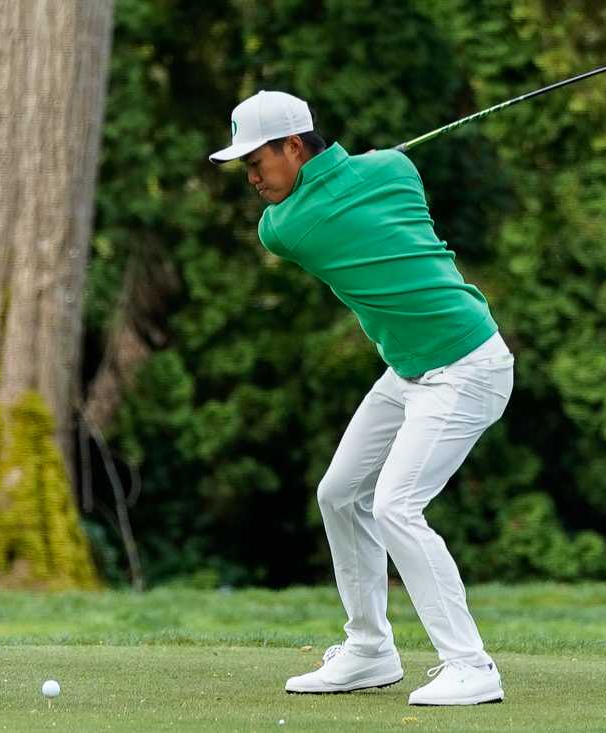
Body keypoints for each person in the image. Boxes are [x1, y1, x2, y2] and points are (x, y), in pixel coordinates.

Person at [209, 91, 514, 707]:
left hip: (465, 365)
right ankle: (371, 649)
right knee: (339, 493)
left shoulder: (287, 228)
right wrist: (368, 166)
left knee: (397, 506)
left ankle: (470, 665)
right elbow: (383, 176)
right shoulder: (396, 170)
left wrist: (358, 171)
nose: (250, 176)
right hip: (411, 368)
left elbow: (320, 206)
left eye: (257, 160)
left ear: (294, 147)